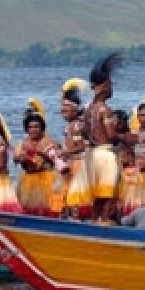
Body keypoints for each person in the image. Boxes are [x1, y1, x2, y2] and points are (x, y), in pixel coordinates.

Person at [84, 53, 124, 223]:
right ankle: (105, 223)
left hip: (92, 155)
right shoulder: (104, 110)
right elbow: (111, 135)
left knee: (98, 196)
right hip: (105, 154)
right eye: (111, 84)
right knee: (110, 194)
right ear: (105, 86)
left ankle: (94, 222)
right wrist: (129, 137)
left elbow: (87, 134)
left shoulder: (88, 109)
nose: (112, 87)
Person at [14, 98, 62, 216]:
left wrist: (41, 153)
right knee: (28, 211)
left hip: (46, 180)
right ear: (26, 129)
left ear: (42, 128)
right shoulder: (23, 143)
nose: (33, 130)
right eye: (30, 127)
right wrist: (19, 159)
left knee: (48, 211)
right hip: (28, 181)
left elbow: (57, 160)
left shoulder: (49, 142)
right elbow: (20, 161)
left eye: (36, 127)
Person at [58, 78, 93, 220]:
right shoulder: (72, 124)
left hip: (78, 165)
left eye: (66, 111)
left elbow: (84, 145)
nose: (63, 113)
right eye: (62, 111)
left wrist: (66, 152)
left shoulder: (78, 125)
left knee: (76, 197)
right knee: (66, 196)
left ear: (74, 110)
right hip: (71, 163)